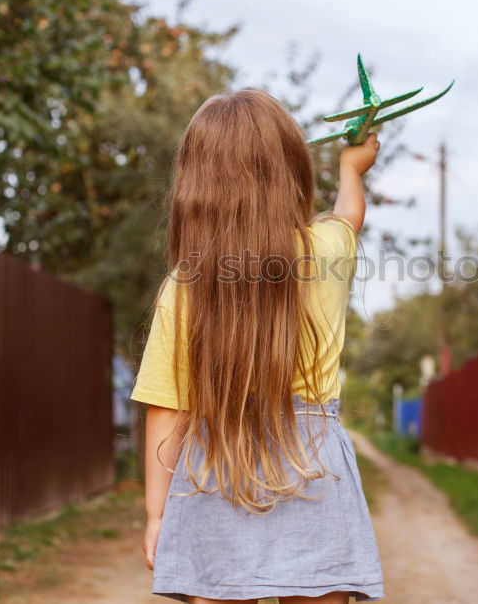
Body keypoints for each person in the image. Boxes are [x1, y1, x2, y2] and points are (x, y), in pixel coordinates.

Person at [130, 87, 385, 603]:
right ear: (290, 168)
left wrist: (157, 514)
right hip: (312, 467)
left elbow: (166, 411)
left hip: (219, 463)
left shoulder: (185, 284)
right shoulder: (326, 250)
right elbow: (348, 216)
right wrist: (353, 169)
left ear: (194, 186)